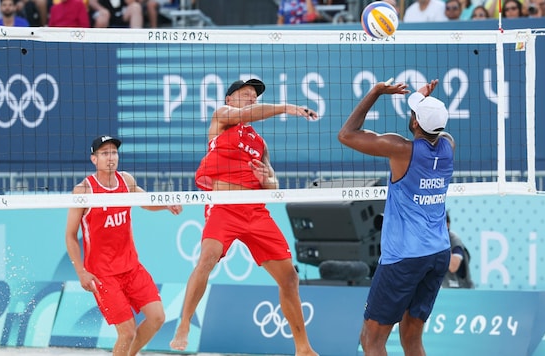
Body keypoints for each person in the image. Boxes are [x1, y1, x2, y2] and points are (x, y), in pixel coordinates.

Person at [169, 79, 319, 356]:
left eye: (254, 96)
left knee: (289, 278)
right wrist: (286, 107)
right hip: (224, 207)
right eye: (246, 94)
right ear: (230, 99)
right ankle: (184, 323)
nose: (252, 99)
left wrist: (268, 179)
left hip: (254, 211)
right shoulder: (222, 117)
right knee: (208, 258)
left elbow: (272, 185)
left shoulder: (259, 143)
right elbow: (243, 115)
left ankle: (303, 348)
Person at [338, 79, 454, 355]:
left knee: (371, 340)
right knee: (412, 339)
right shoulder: (449, 145)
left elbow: (346, 134)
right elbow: (432, 128)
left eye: (413, 114)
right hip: (438, 253)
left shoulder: (402, 150)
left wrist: (376, 92)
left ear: (415, 123)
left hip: (404, 257)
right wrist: (421, 100)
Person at [65, 135, 182, 356]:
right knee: (127, 332)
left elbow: (146, 203)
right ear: (94, 159)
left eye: (114, 153)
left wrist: (165, 204)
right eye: (105, 153)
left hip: (131, 267)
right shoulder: (84, 190)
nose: (111, 158)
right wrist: (81, 272)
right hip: (103, 274)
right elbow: (70, 236)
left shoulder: (126, 181)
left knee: (158, 317)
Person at [441, 212, 474, 289]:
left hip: (459, 290)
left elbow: (453, 267)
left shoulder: (454, 240)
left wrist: (441, 242)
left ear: (447, 225)